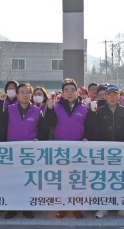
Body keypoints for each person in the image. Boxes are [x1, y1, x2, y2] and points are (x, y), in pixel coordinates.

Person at [45, 78, 94, 219]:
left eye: (73, 90)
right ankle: (62, 208)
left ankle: (78, 208)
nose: (70, 93)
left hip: (79, 150)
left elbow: (89, 128)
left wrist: (87, 137)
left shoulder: (84, 108)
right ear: (62, 93)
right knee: (62, 181)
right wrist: (49, 110)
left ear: (78, 93)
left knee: (78, 181)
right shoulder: (55, 107)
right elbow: (49, 123)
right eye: (66, 90)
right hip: (61, 150)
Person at [0, 83, 45, 219]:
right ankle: (12, 207)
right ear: (17, 95)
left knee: (28, 181)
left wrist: (39, 138)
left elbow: (43, 130)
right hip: (13, 152)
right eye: (21, 92)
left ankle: (27, 207)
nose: (24, 95)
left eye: (27, 92)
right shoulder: (9, 109)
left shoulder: (37, 111)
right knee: (13, 181)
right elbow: (1, 125)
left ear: (31, 95)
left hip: (30, 153)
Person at [92, 84, 124, 219]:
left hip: (121, 153)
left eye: (115, 94)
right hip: (103, 152)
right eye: (109, 95)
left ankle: (122, 207)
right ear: (105, 96)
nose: (112, 97)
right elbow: (92, 130)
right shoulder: (98, 111)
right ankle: (103, 208)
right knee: (103, 180)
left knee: (121, 180)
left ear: (119, 97)